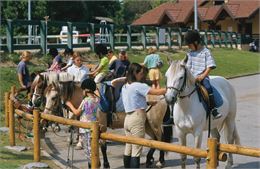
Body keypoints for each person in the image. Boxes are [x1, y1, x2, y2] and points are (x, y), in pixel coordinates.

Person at [121, 63, 166, 168]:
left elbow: (133, 100)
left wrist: (147, 103)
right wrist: (170, 88)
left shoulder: (125, 86)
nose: (143, 76)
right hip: (137, 119)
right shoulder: (139, 85)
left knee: (128, 148)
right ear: (135, 73)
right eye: (141, 73)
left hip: (127, 119)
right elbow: (157, 91)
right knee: (136, 151)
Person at [185, 30, 222, 120]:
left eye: (189, 45)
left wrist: (203, 76)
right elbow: (188, 67)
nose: (188, 47)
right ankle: (173, 113)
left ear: (196, 42)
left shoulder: (206, 52)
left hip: (202, 76)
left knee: (208, 87)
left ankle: (214, 109)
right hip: (192, 77)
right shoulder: (190, 53)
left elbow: (210, 66)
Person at [65, 78, 99, 169]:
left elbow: (76, 113)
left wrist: (69, 104)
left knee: (88, 152)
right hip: (94, 127)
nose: (82, 91)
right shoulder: (97, 99)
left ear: (86, 90)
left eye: (83, 89)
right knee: (93, 150)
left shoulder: (86, 101)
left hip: (86, 128)